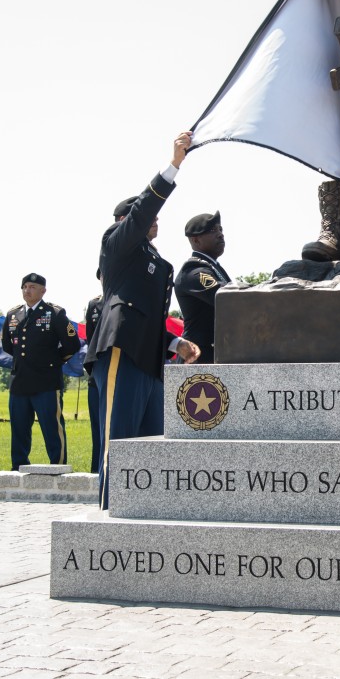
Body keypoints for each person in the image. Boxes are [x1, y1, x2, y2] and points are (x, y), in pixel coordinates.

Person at [85, 132, 201, 508]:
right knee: (118, 442)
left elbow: (149, 316)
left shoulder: (152, 261)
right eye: (146, 216)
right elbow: (141, 214)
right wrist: (175, 164)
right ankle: (110, 512)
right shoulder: (117, 243)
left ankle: (144, 514)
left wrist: (174, 343)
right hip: (122, 352)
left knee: (151, 442)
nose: (155, 221)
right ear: (125, 219)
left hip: (150, 359)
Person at [3, 273, 81, 470]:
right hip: (19, 382)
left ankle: (58, 467)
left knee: (52, 429)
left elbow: (72, 344)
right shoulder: (13, 315)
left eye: (32, 287)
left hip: (46, 382)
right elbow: (7, 345)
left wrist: (53, 361)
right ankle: (18, 469)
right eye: (25, 286)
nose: (27, 290)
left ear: (43, 291)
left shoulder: (54, 313)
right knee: (19, 430)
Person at [175, 211, 230, 364]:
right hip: (198, 356)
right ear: (196, 240)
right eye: (213, 231)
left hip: (214, 354)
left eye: (221, 229)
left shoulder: (212, 267)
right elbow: (228, 298)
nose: (220, 234)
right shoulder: (194, 272)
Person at [83, 270, 103, 474]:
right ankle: (96, 471)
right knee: (97, 428)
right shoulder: (94, 304)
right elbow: (91, 340)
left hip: (121, 373)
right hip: (97, 374)